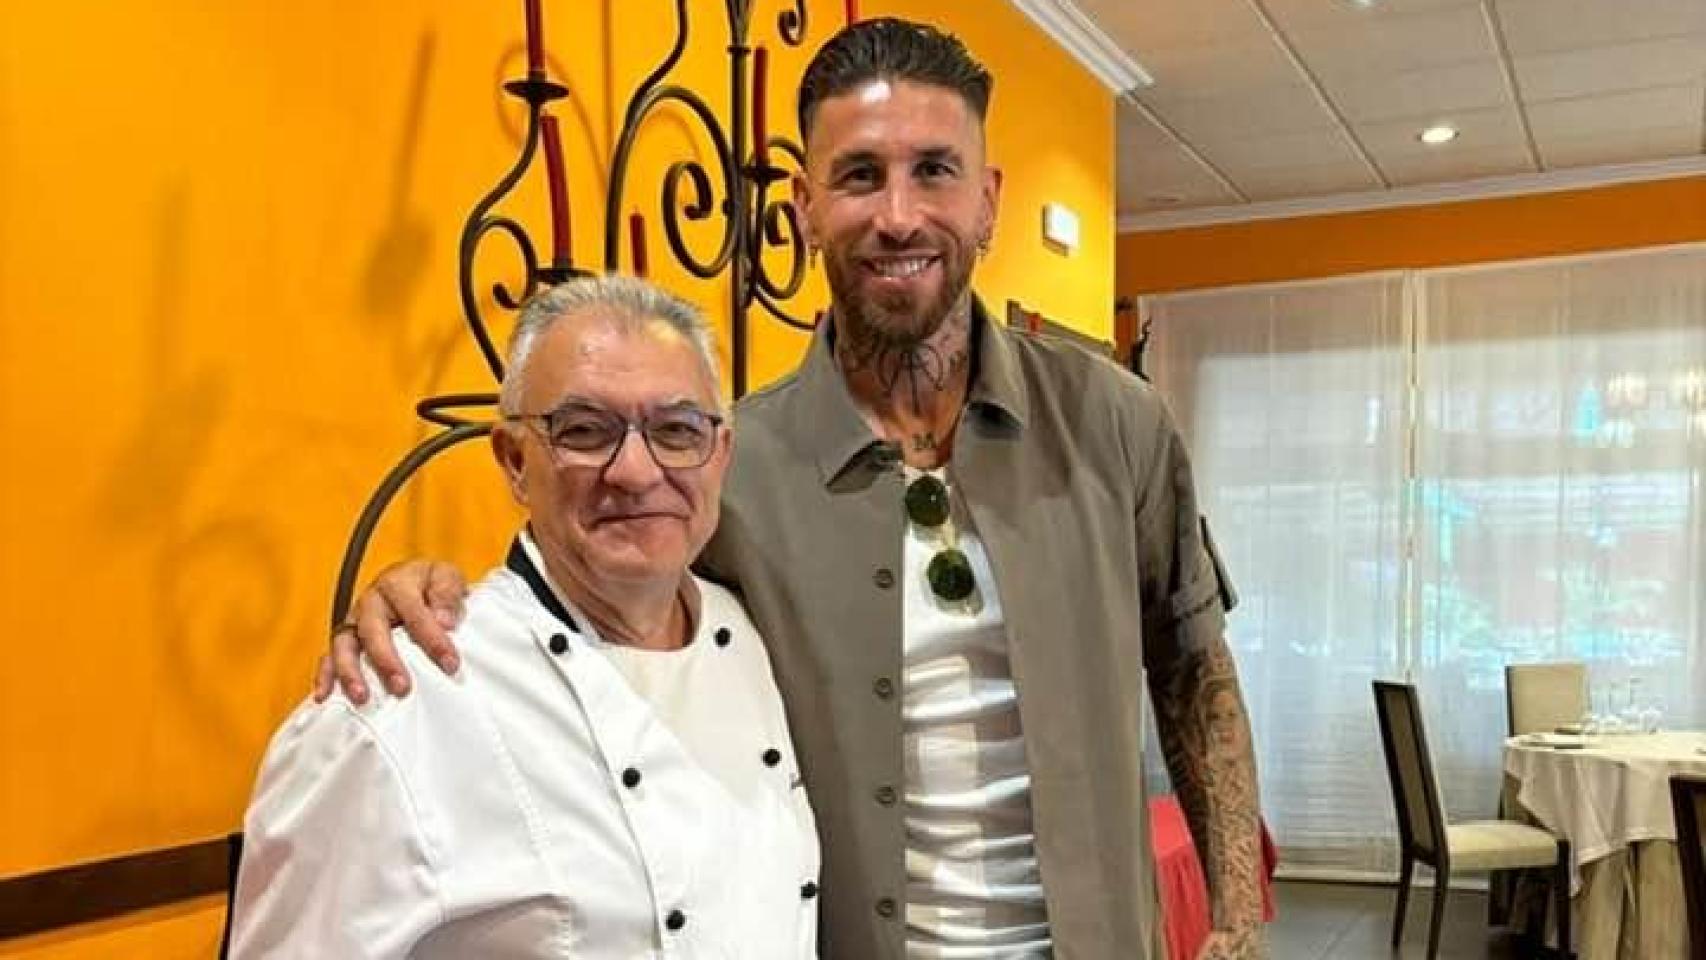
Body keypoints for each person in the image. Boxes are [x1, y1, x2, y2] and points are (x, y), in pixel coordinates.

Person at [323, 18, 1264, 959]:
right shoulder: (724, 465)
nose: (898, 215)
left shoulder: (1117, 424)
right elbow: (597, 614)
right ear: (805, 206)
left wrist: (1237, 922)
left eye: (934, 170)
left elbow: (1193, 670)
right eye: (859, 175)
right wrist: (427, 594)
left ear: (987, 201)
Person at [233, 277, 820, 958]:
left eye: (676, 431)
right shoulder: (394, 712)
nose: (635, 471)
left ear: (720, 455)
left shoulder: (756, 631)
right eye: (584, 431)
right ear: (515, 460)